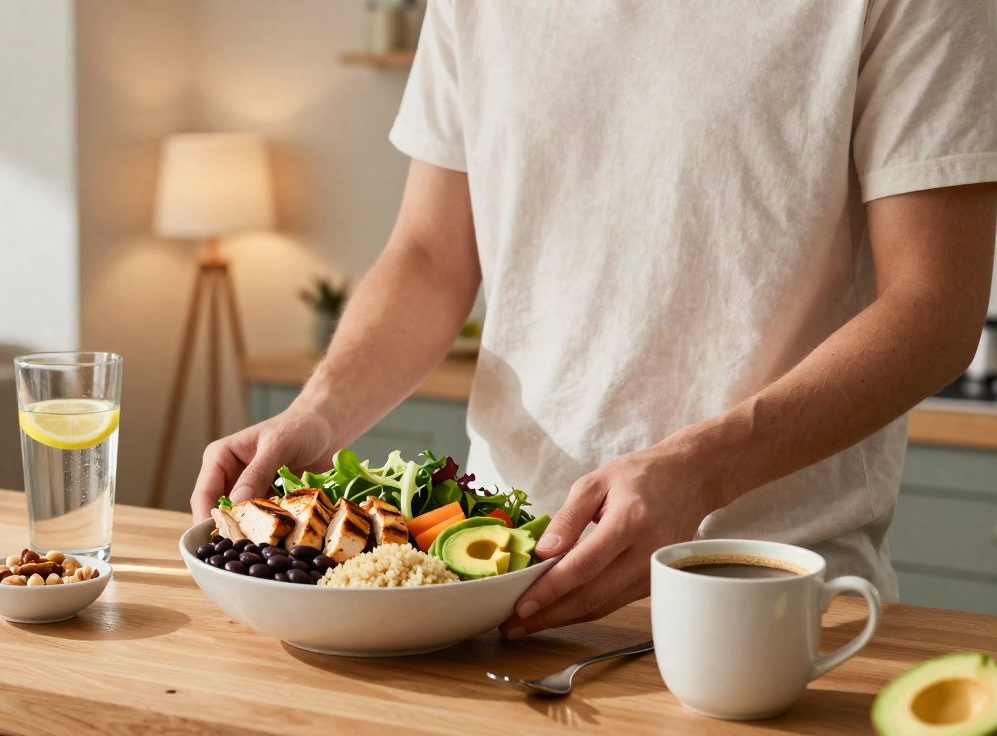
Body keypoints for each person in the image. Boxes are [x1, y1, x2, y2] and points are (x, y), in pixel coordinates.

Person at [190, 1, 997, 639]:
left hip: (765, 597)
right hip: (490, 583)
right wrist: (315, 415)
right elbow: (432, 259)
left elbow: (933, 309)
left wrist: (698, 472)